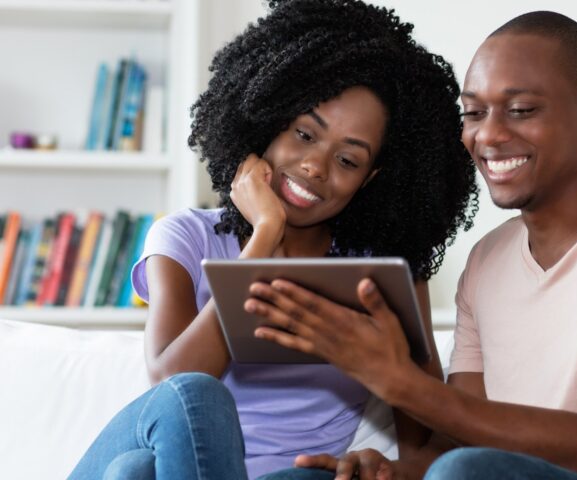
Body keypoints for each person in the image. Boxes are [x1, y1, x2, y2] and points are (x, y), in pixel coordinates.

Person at [248, 10, 577, 480]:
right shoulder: (486, 262)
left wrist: (400, 381)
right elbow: (456, 439)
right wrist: (393, 470)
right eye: (474, 113)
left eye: (521, 110)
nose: (490, 135)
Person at [68, 0, 479, 478]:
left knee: (134, 473)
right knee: (173, 423)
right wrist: (263, 237)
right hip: (174, 450)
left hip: (296, 474)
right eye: (304, 134)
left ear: (371, 180)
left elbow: (426, 435)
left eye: (347, 161)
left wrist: (381, 466)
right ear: (268, 119)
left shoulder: (383, 274)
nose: (315, 166)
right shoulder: (183, 237)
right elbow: (173, 382)